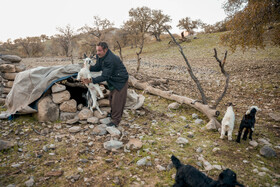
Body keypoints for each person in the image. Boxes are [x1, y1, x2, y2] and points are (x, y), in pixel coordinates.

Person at [81, 42, 129, 127]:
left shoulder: (110, 59)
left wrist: (91, 80)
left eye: (99, 50)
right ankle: (113, 114)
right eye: (97, 50)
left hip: (120, 80)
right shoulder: (100, 56)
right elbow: (98, 67)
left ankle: (115, 121)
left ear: (105, 50)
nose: (97, 52)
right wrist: (88, 68)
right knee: (111, 98)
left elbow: (105, 76)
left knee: (117, 101)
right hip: (113, 79)